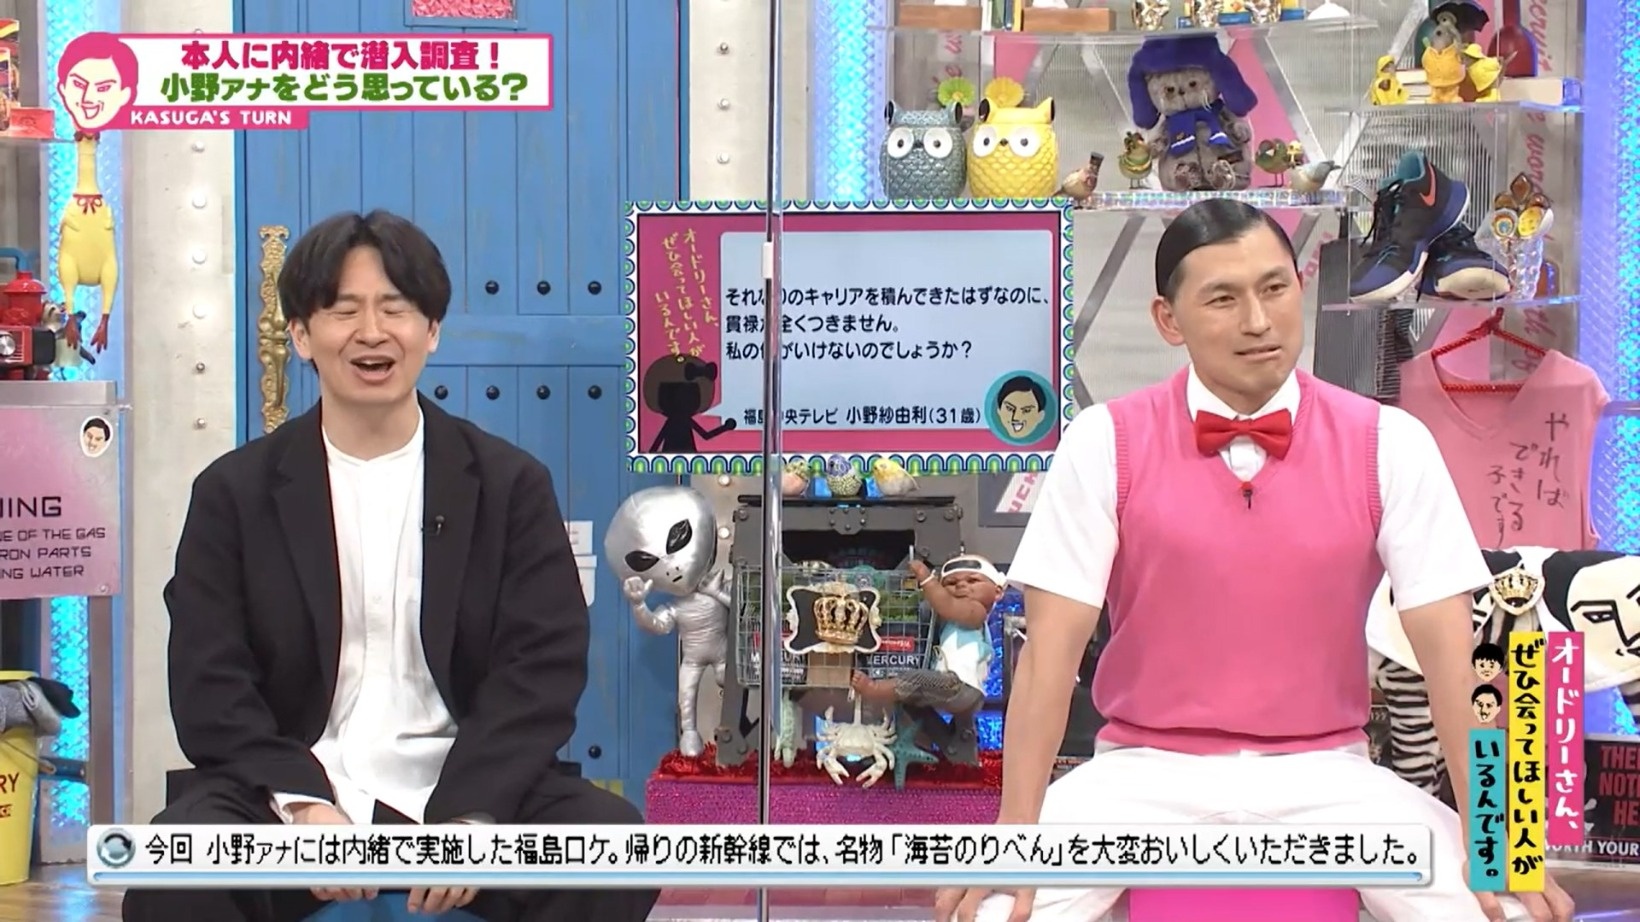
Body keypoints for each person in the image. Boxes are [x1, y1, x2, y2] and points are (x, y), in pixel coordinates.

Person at [936, 199, 1573, 922]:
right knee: (991, 912)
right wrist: (1014, 835)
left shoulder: (1390, 442)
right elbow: (1047, 662)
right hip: (1143, 775)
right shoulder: (1103, 441)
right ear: (1168, 320)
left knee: (1510, 910)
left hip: (1330, 776)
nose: (1258, 321)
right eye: (1223, 299)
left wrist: (1499, 840)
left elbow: (1460, 662)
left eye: (1275, 288)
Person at [123, 210, 657, 922]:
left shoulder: (509, 485)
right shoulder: (234, 492)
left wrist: (471, 817)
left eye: (395, 308)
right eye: (343, 311)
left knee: (612, 850)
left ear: (431, 329)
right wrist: (302, 805)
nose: (371, 332)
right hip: (289, 795)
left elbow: (541, 669)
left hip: (464, 786)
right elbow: (208, 678)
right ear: (301, 335)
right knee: (173, 879)